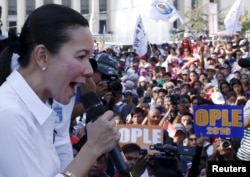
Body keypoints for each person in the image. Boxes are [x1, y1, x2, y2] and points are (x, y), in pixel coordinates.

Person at [0, 4, 120, 177]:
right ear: (42, 56)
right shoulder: (9, 114)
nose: (88, 71)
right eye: (80, 56)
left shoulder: (37, 112)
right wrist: (92, 148)